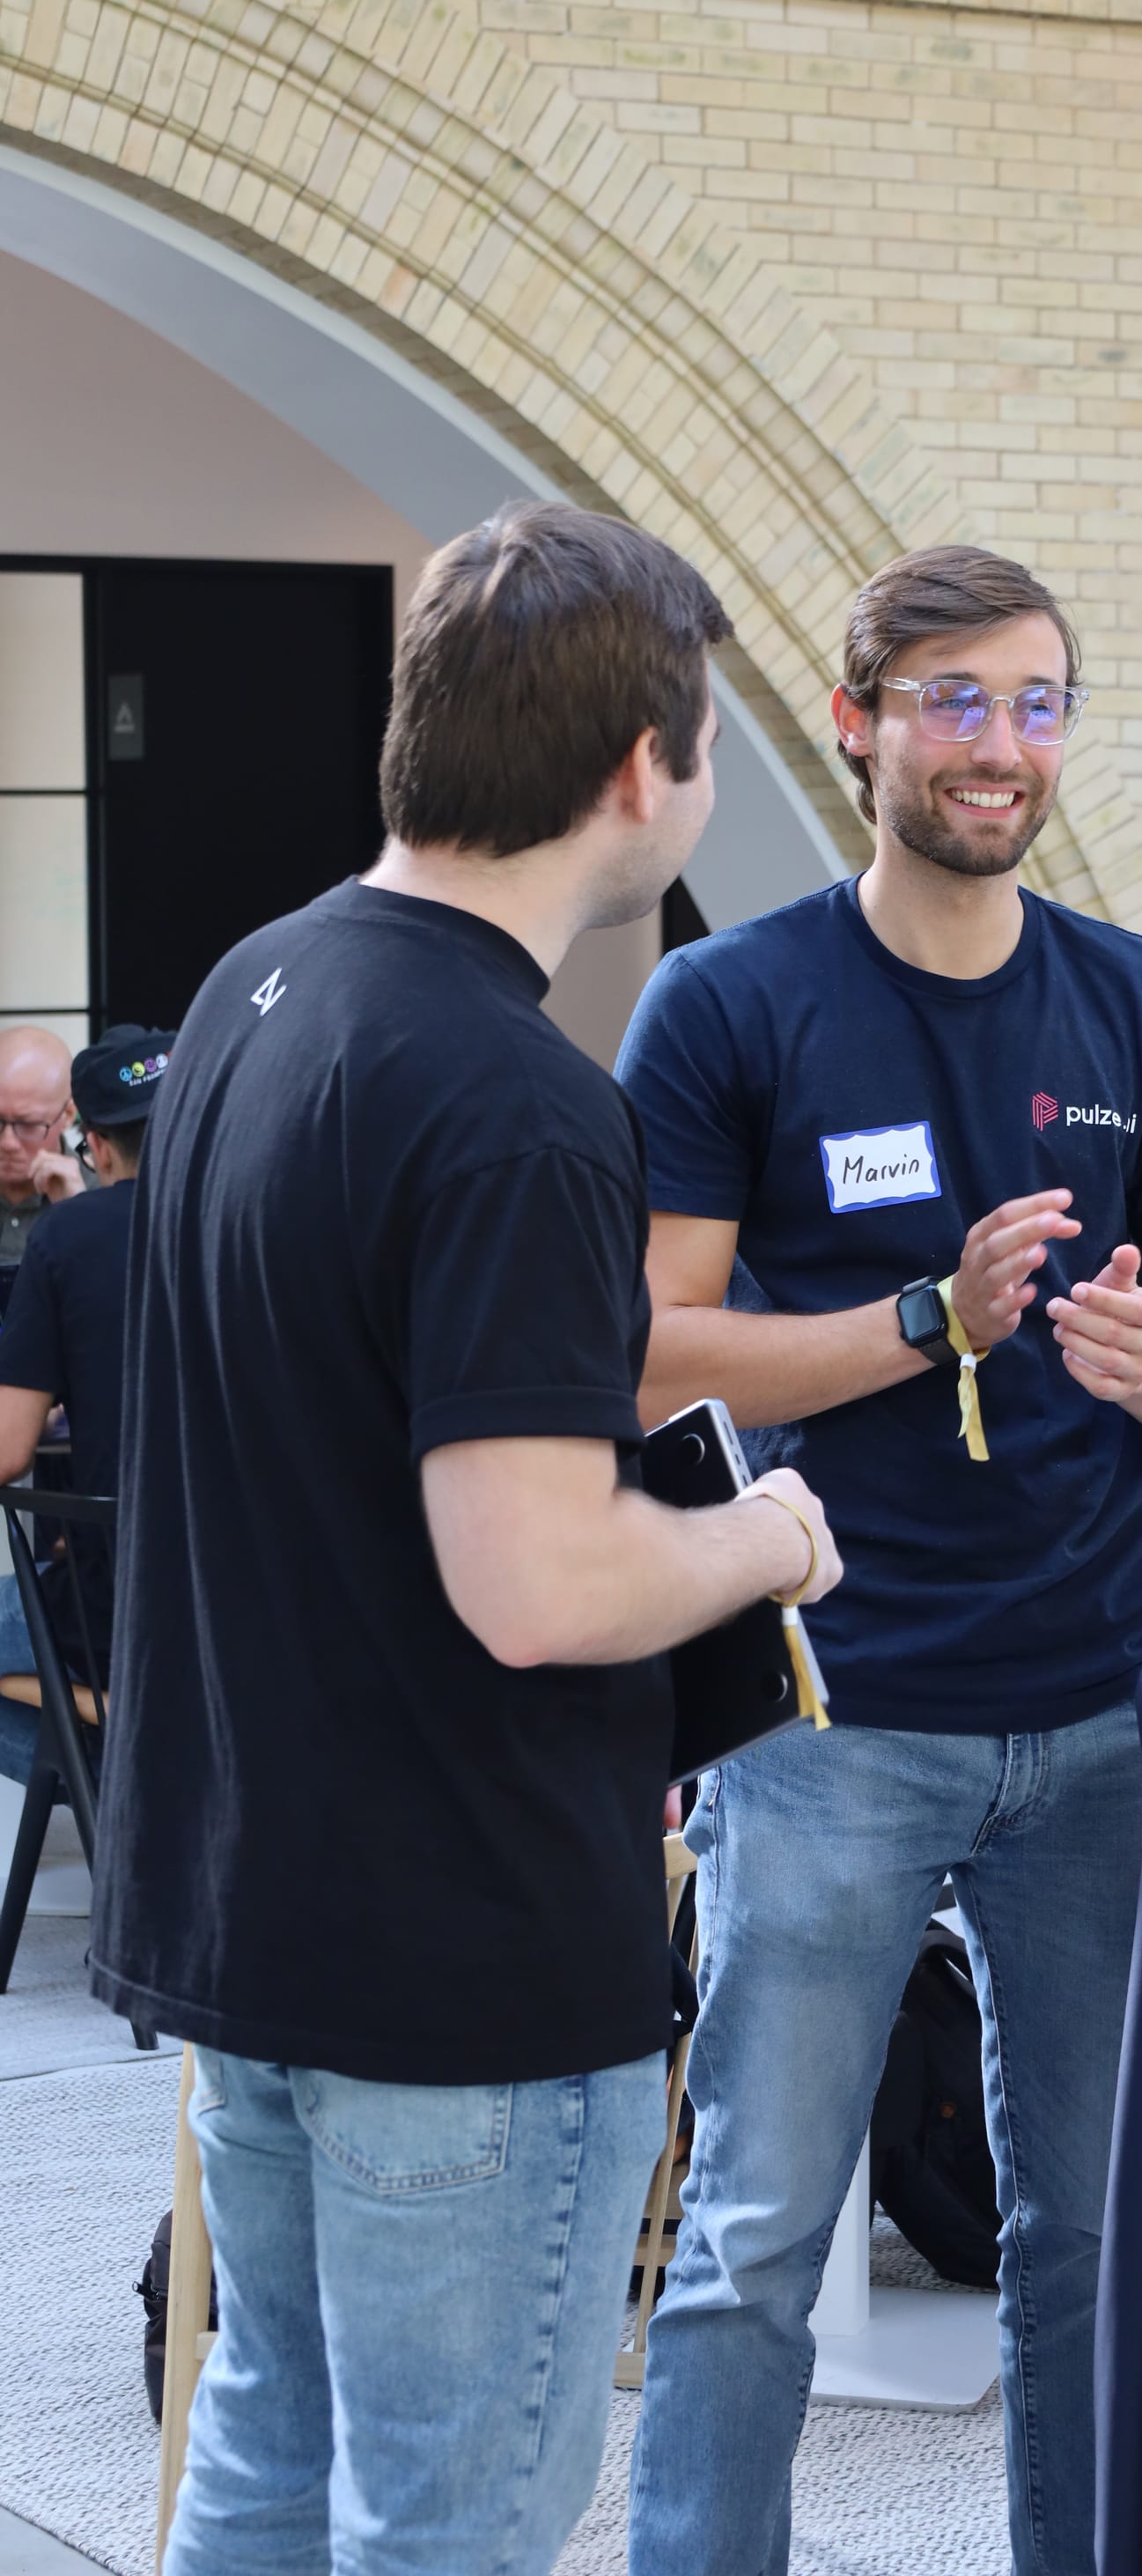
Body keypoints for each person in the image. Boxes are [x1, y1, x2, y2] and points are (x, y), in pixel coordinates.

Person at [87, 502, 842, 2576]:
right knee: (446, 2523)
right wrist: (763, 1544)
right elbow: (537, 1580)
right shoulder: (514, 1098)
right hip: (457, 1947)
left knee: (262, 2449)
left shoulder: (254, 992)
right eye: (710, 745)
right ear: (640, 767)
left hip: (253, 1904)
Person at [616, 543, 1142, 2576]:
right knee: (753, 2238)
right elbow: (643, 1345)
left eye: (1034, 703)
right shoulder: (730, 1000)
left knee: (1091, 2232)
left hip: (1100, 1722)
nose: (999, 744)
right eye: (955, 700)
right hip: (832, 1719)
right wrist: (924, 1322)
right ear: (858, 722)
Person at [0, 1026, 173, 1776]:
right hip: (269, 1596)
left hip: (122, 1603)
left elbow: (7, 1452)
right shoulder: (272, 1217)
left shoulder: (71, 1236)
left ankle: (137, 1725)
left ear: (92, 1143)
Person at [0, 1024, 82, 1267]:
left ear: (68, 1115)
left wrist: (80, 1216)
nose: (8, 1142)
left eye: (28, 1124)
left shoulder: (99, 1194)